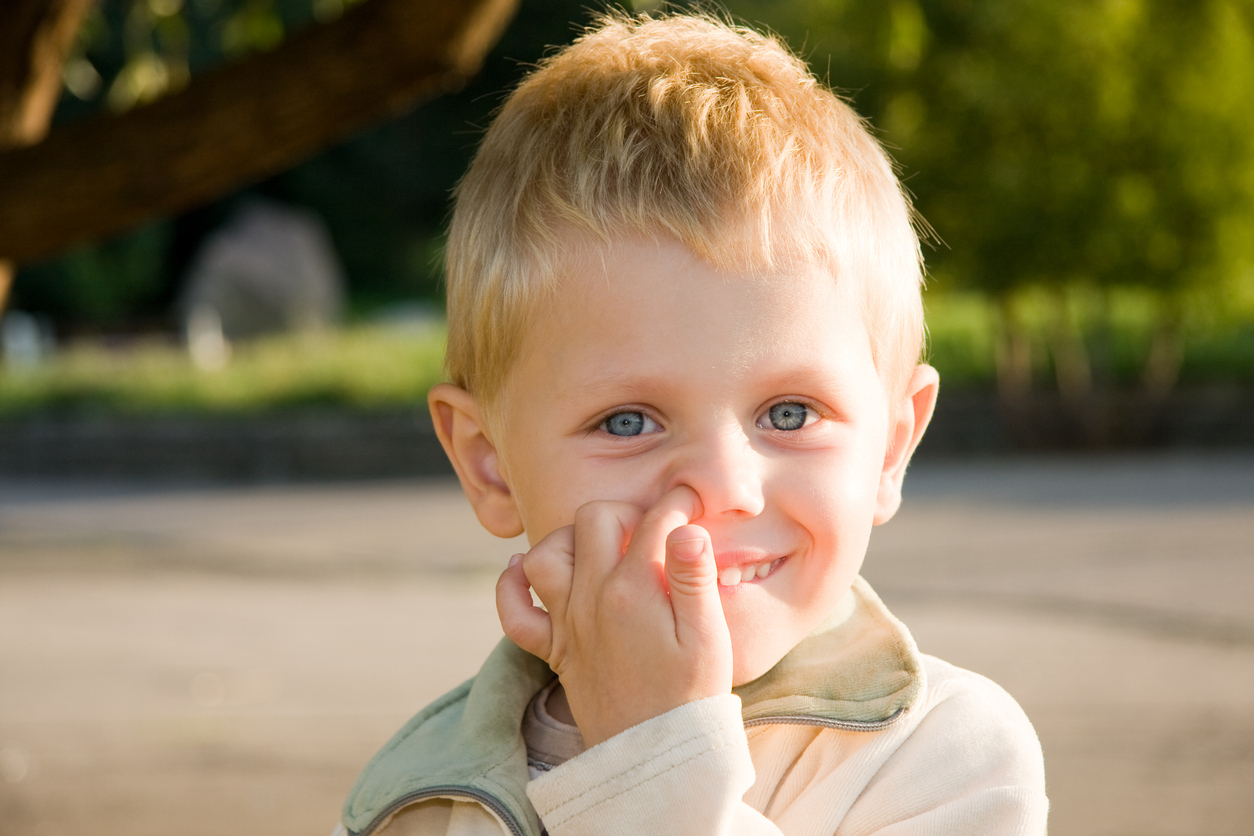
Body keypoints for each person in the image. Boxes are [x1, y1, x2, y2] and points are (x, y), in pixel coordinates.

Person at [337, 11, 1047, 836]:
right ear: (489, 463)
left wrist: (651, 759)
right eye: (629, 422)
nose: (721, 487)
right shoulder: (413, 797)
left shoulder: (947, 755)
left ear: (890, 447)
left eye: (790, 413)